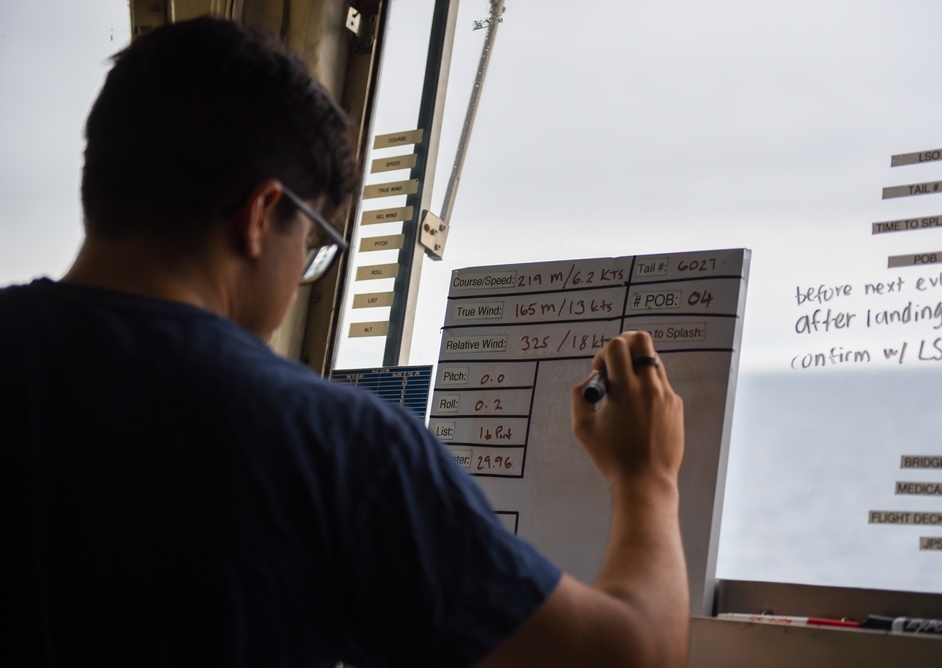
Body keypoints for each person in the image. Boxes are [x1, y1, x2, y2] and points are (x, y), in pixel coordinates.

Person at [0, 17, 688, 667]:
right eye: (315, 247)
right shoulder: (337, 447)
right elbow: (628, 653)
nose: (301, 276)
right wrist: (646, 478)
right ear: (262, 215)